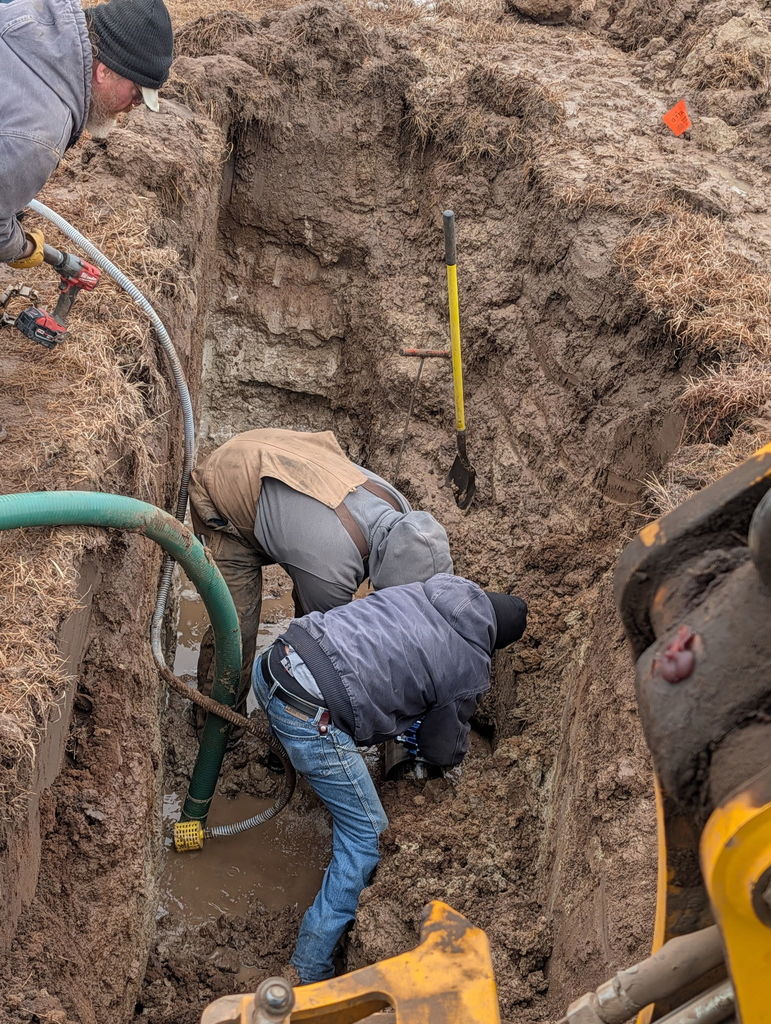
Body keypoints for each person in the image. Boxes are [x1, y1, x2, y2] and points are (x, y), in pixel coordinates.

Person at [253, 573, 528, 984]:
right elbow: (440, 749)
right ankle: (309, 965)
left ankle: (281, 763)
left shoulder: (431, 588)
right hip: (310, 716)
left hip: (274, 663)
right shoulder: (471, 664)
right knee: (366, 834)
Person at [189, 428, 453, 718]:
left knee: (310, 594)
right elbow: (320, 648)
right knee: (236, 632)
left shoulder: (402, 513)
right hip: (226, 485)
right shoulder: (332, 567)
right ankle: (218, 730)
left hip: (280, 459)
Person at [0, 0, 174, 267]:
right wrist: (22, 248)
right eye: (136, 95)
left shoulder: (32, 13)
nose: (132, 107)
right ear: (104, 72)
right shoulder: (39, 134)